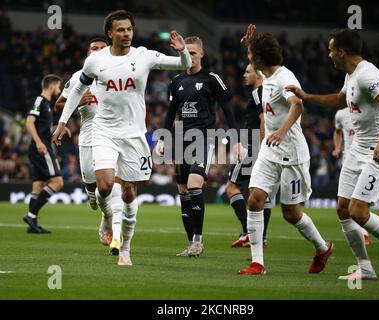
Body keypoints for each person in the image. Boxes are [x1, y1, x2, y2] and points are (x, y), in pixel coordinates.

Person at [52, 10, 192, 266]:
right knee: (104, 186)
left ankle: (125, 248)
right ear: (110, 33)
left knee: (128, 194)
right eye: (120, 30)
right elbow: (77, 90)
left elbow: (183, 65)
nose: (126, 34)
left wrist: (182, 50)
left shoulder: (144, 56)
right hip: (104, 131)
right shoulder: (95, 61)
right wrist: (62, 123)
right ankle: (108, 222)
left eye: (129, 29)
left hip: (134, 135)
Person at [286, 28, 379, 280]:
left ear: (341, 52)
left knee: (358, 211)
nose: (329, 55)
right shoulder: (350, 75)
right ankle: (365, 268)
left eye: (331, 50)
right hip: (357, 149)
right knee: (342, 208)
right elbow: (339, 100)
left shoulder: (368, 75)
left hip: (378, 150)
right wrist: (307, 96)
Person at [238, 25, 333, 275]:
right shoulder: (266, 74)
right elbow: (255, 60)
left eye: (252, 55)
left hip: (291, 154)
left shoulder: (284, 78)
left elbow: (298, 105)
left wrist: (280, 131)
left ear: (260, 59)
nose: (250, 60)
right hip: (270, 152)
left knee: (290, 213)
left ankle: (322, 248)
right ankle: (257, 263)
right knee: (255, 199)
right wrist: (249, 44)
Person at [154, 36, 240, 257]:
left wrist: (237, 139)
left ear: (202, 54)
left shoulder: (212, 79)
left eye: (193, 53)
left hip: (204, 137)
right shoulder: (177, 81)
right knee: (182, 190)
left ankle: (199, 240)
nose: (190, 57)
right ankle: (191, 242)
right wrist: (162, 138)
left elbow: (227, 108)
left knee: (194, 184)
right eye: (186, 53)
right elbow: (172, 111)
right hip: (181, 139)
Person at [55, 37, 123, 254]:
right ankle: (100, 207)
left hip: (112, 136)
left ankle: (108, 222)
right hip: (88, 137)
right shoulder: (78, 77)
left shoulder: (118, 73)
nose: (99, 51)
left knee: (110, 187)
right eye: (94, 48)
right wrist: (78, 102)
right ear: (88, 53)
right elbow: (59, 104)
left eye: (103, 48)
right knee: (93, 190)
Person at [226, 64, 272, 248]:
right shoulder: (267, 92)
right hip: (258, 146)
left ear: (259, 74)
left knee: (231, 188)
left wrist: (260, 147)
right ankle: (261, 238)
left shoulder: (257, 93)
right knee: (258, 192)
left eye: (248, 71)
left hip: (255, 148)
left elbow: (262, 120)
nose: (244, 75)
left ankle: (249, 232)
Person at [23, 74, 65, 234]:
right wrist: (40, 142)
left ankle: (31, 224)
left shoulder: (46, 104)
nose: (59, 90)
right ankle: (30, 214)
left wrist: (57, 128)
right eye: (59, 87)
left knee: (38, 186)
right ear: (52, 86)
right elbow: (29, 122)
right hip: (41, 148)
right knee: (58, 182)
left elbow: (42, 126)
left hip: (39, 147)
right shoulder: (40, 101)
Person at [333, 107, 370, 245]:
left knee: (359, 201)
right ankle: (361, 231)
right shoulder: (341, 114)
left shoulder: (367, 110)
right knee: (345, 204)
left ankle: (363, 232)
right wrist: (337, 147)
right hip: (348, 162)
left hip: (366, 160)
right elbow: (337, 132)